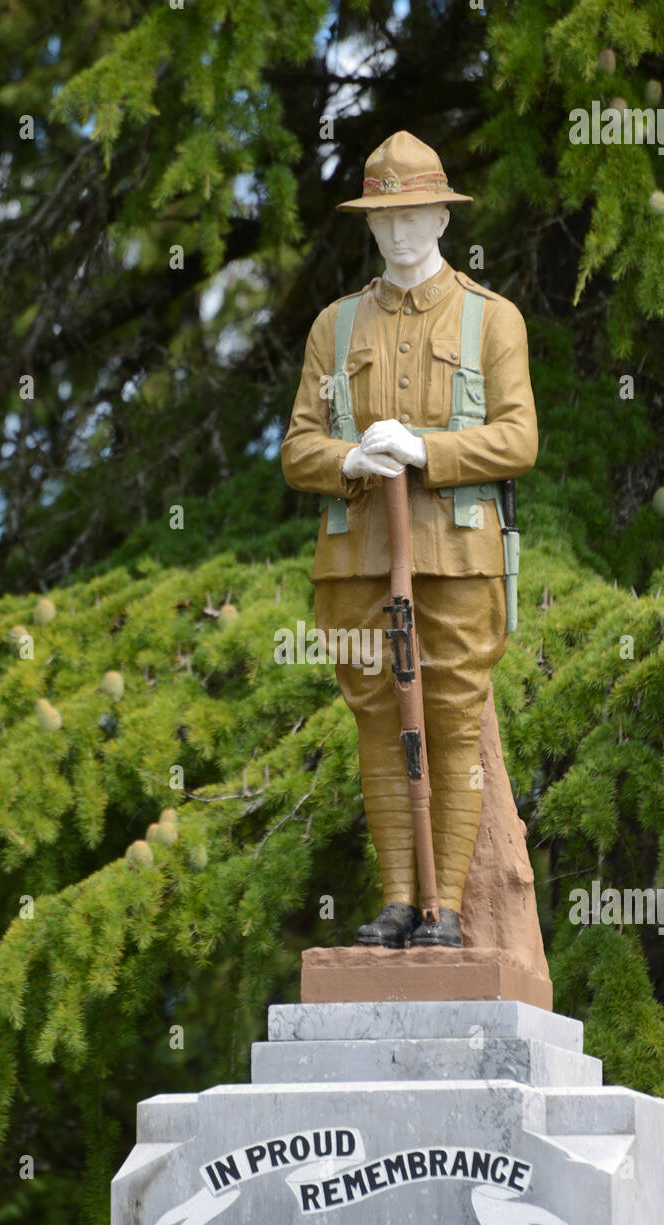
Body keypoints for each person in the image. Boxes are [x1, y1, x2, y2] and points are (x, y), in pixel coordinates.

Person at [281, 131, 537, 949]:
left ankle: (447, 908)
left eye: (413, 215)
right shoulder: (333, 325)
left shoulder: (490, 320)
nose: (398, 233)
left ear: (440, 216)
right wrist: (349, 458)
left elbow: (519, 439)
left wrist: (429, 449)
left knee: (453, 722)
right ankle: (397, 902)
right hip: (355, 556)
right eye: (382, 219)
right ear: (369, 225)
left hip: (459, 555)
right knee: (376, 723)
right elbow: (296, 449)